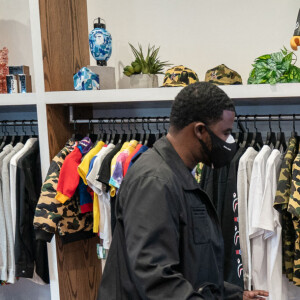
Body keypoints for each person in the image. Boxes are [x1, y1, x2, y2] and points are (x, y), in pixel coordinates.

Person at [97, 82, 269, 299]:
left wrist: (233, 295)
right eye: (224, 133)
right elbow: (154, 278)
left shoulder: (179, 176)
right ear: (199, 130)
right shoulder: (154, 181)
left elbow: (192, 267)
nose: (228, 142)